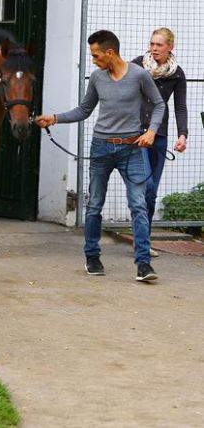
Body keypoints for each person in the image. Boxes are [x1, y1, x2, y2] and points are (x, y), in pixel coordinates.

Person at [35, 30, 165, 282]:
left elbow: (159, 104)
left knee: (139, 205)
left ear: (110, 52)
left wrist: (151, 131)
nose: (93, 60)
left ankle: (143, 264)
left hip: (132, 149)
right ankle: (92, 257)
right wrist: (55, 118)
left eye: (95, 55)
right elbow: (84, 109)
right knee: (94, 205)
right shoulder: (97, 78)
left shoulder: (139, 75)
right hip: (101, 148)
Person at [132, 28, 188, 257]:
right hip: (137, 134)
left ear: (170, 48)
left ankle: (143, 241)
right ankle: (141, 242)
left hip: (160, 135)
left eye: (159, 45)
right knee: (148, 185)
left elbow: (180, 106)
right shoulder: (137, 65)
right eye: (152, 44)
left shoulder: (177, 73)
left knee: (152, 194)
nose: (154, 48)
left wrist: (182, 134)